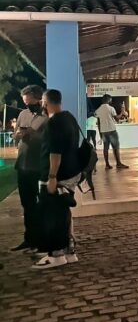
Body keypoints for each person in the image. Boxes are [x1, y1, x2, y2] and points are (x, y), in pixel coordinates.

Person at [33, 89, 80, 269]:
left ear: (46, 102)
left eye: (42, 101)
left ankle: (56, 255)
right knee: (64, 213)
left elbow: (55, 153)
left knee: (52, 215)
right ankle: (69, 251)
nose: (41, 104)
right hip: (70, 173)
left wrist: (52, 177)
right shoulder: (69, 118)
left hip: (56, 176)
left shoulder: (54, 123)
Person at [9, 85, 47, 253]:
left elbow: (48, 137)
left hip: (39, 166)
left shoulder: (47, 115)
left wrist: (33, 133)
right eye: (24, 102)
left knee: (41, 204)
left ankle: (42, 240)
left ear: (38, 99)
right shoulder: (23, 114)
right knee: (27, 204)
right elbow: (15, 134)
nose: (26, 105)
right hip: (23, 165)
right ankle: (30, 239)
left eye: (29, 101)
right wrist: (17, 135)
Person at [95, 94, 128, 169]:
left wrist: (101, 134)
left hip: (104, 132)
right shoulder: (111, 108)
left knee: (105, 148)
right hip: (112, 131)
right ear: (109, 100)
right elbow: (117, 119)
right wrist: (122, 113)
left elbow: (99, 123)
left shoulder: (98, 110)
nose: (111, 101)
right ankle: (118, 163)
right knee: (116, 147)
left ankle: (107, 165)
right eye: (111, 99)